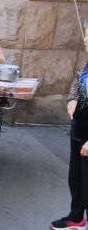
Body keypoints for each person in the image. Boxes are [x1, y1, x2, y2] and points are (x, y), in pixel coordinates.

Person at [50, 19, 88, 230]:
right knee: (77, 180)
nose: (85, 38)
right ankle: (76, 218)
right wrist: (72, 99)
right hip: (79, 132)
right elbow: (78, 80)